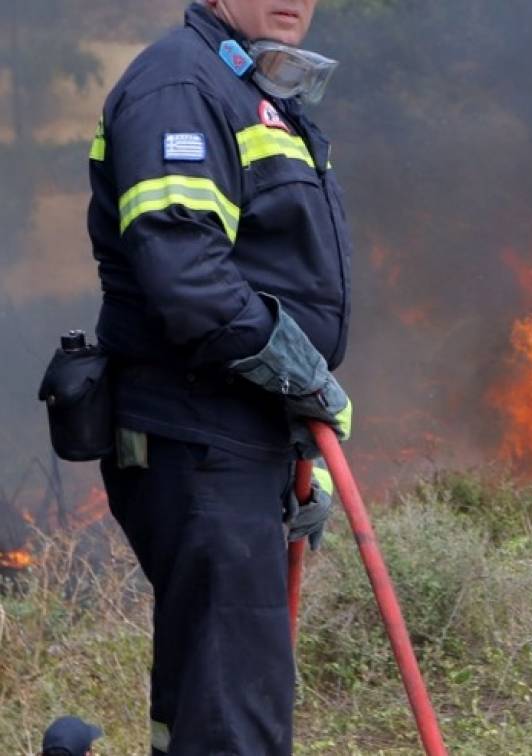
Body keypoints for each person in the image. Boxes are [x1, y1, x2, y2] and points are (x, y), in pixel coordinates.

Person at [86, 0, 351, 752]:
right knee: (236, 709)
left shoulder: (252, 90)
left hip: (240, 434)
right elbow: (187, 276)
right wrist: (301, 375)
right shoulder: (181, 85)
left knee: (210, 692)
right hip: (196, 436)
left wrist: (299, 436)